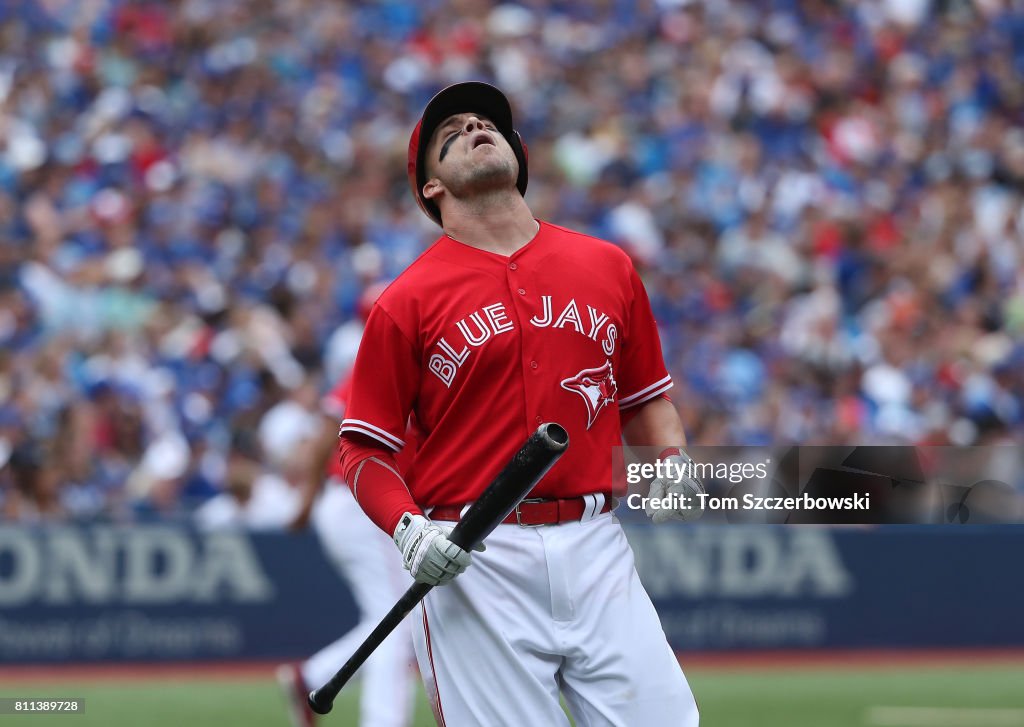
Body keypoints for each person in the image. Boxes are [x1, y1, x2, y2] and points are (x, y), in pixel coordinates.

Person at [337, 81, 702, 726]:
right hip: (475, 558)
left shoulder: (608, 266)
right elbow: (363, 449)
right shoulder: (405, 301)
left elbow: (648, 403)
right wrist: (409, 529)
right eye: (451, 136)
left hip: (597, 546)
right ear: (431, 188)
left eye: (487, 124)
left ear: (518, 153)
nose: (475, 128)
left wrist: (671, 471)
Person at [276, 370, 416, 727]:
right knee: (399, 621)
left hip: (360, 503)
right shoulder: (387, 353)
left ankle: (314, 676)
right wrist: (307, 496)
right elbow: (329, 426)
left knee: (391, 619)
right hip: (361, 502)